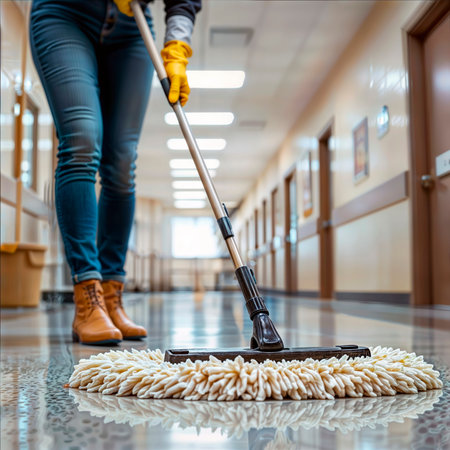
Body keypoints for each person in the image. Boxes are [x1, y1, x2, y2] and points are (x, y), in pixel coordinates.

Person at [30, 0, 201, 345]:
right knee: (81, 138)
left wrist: (177, 45)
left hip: (131, 27)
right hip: (65, 13)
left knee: (122, 160)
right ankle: (88, 297)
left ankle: (112, 295)